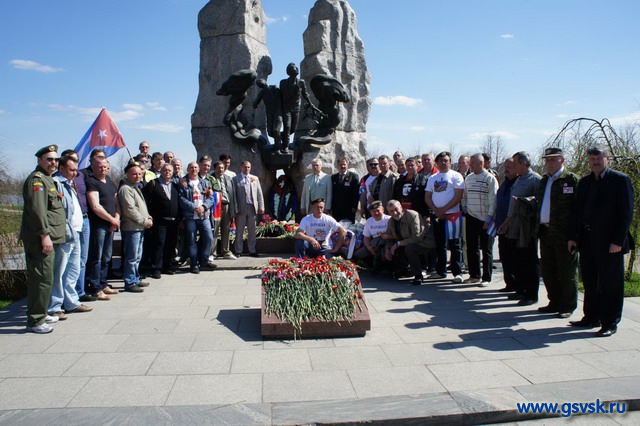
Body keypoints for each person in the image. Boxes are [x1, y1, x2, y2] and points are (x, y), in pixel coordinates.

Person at [568, 145, 634, 337]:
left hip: (610, 243)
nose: (595, 162)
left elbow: (626, 213)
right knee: (590, 281)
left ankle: (610, 323)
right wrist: (573, 237)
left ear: (607, 159)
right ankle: (591, 317)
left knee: (610, 284)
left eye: (598, 158)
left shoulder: (620, 180)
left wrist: (618, 241)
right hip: (587, 240)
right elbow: (578, 212)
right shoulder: (585, 182)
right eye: (592, 159)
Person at [21, 145, 66, 333]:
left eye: (56, 159)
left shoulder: (48, 179)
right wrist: (44, 235)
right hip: (40, 238)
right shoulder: (37, 180)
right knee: (41, 279)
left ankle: (42, 312)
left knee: (47, 277)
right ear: (40, 160)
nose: (53, 162)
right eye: (49, 159)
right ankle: (35, 320)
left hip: (50, 236)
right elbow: (37, 210)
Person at [535, 148, 580, 319]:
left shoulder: (571, 179)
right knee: (548, 270)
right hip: (545, 231)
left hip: (564, 234)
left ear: (562, 160)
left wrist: (574, 235)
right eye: (547, 160)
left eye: (553, 160)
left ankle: (568, 305)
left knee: (566, 271)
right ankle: (554, 301)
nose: (549, 163)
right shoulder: (545, 180)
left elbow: (578, 209)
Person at [49, 155, 93, 319]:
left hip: (76, 232)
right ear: (61, 169)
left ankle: (71, 302)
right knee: (59, 271)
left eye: (76, 170)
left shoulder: (69, 184)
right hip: (65, 234)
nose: (75, 173)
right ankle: (55, 306)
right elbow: (57, 211)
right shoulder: (56, 184)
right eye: (71, 170)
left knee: (73, 270)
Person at [497, 151, 542, 306]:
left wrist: (526, 201)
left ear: (523, 163)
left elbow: (539, 202)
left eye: (515, 163)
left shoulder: (535, 179)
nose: (513, 166)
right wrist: (506, 223)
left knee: (529, 259)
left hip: (527, 226)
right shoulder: (519, 179)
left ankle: (532, 294)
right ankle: (521, 289)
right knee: (518, 259)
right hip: (514, 224)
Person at [425, 152, 465, 283]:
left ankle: (457, 272)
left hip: (453, 215)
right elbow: (427, 197)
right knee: (439, 244)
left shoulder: (456, 176)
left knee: (455, 244)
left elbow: (458, 196)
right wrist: (436, 210)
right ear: (436, 162)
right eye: (441, 160)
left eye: (446, 160)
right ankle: (440, 271)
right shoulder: (432, 178)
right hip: (437, 215)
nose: (444, 163)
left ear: (450, 162)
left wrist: (444, 209)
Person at [86, 158, 120, 300]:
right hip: (99, 225)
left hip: (111, 225)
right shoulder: (91, 182)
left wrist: (116, 218)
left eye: (106, 167)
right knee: (97, 257)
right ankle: (96, 287)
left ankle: (103, 283)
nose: (103, 169)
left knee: (106, 257)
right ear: (93, 167)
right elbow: (96, 206)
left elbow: (117, 203)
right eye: (100, 167)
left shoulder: (110, 182)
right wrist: (112, 219)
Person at [462, 154, 498, 287]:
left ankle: (486, 277)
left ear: (481, 164)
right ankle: (474, 275)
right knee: (472, 248)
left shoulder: (490, 178)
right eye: (470, 162)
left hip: (485, 219)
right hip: (471, 217)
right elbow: (464, 196)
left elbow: (493, 200)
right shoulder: (468, 178)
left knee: (486, 249)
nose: (470, 165)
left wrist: (489, 218)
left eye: (472, 163)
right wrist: (465, 208)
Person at [117, 162, 153, 292]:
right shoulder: (125, 189)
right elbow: (130, 210)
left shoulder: (135, 187)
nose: (137, 176)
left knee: (137, 256)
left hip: (139, 227)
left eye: (139, 174)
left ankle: (135, 278)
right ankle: (130, 282)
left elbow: (142, 206)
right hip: (131, 228)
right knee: (131, 257)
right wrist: (144, 221)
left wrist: (148, 217)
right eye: (134, 174)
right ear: (127, 174)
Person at [384, 200, 435, 285]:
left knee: (410, 248)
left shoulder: (412, 215)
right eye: (391, 211)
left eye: (396, 209)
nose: (395, 213)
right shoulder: (391, 221)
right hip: (406, 242)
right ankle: (401, 270)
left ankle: (418, 275)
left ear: (401, 208)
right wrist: (387, 249)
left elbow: (417, 236)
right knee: (387, 250)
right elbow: (389, 237)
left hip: (424, 242)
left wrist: (398, 244)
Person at [178, 162, 217, 273]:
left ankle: (204, 260)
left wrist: (203, 207)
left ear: (198, 169)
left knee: (209, 238)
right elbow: (181, 199)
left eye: (195, 167)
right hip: (190, 217)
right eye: (191, 167)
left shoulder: (204, 183)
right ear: (188, 169)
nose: (193, 169)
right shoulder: (183, 183)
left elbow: (211, 198)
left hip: (203, 216)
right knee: (191, 241)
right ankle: (194, 264)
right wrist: (195, 207)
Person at [143, 163, 180, 277]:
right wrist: (148, 216)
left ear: (172, 172)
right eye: (165, 170)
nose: (167, 172)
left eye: (169, 170)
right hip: (160, 220)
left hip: (173, 221)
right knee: (159, 243)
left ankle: (167, 266)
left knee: (170, 244)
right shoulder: (153, 183)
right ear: (161, 171)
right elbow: (145, 201)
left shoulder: (175, 185)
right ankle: (156, 268)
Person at [495, 157, 518, 293]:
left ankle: (517, 285)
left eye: (510, 167)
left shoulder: (519, 183)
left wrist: (506, 223)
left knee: (514, 257)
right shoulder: (504, 183)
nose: (506, 169)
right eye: (506, 167)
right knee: (505, 256)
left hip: (513, 227)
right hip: (501, 225)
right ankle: (509, 283)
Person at [232, 161, 264, 257]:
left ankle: (252, 250)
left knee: (252, 230)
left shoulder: (255, 178)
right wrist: (235, 209)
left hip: (252, 207)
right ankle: (238, 250)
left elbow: (259, 193)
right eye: (245, 167)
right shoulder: (235, 179)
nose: (247, 169)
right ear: (241, 167)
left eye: (248, 167)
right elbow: (233, 195)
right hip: (240, 208)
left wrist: (261, 206)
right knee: (239, 230)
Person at [279, 62, 315, 146]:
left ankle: (279, 137)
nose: (297, 69)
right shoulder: (283, 82)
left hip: (296, 108)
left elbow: (305, 94)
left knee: (293, 129)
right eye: (294, 68)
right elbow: (279, 95)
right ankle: (285, 146)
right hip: (286, 107)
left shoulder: (301, 82)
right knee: (287, 127)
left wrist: (310, 104)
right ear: (289, 71)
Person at [352, 201, 391, 271]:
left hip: (387, 242)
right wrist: (369, 248)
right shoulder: (369, 221)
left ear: (382, 209)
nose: (376, 213)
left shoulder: (389, 219)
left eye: (378, 210)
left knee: (383, 255)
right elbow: (366, 238)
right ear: (370, 212)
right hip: (374, 243)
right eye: (373, 211)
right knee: (357, 255)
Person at [212, 160, 236, 259]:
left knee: (226, 229)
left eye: (222, 168)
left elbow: (232, 194)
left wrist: (233, 208)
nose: (221, 170)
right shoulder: (211, 178)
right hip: (216, 206)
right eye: (219, 168)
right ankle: (212, 253)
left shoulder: (228, 178)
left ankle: (225, 251)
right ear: (215, 169)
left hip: (227, 205)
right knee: (215, 229)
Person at [253, 78, 286, 153]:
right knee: (270, 133)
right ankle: (282, 139)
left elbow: (280, 101)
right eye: (257, 83)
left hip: (278, 113)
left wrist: (279, 112)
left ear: (265, 81)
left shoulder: (274, 88)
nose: (258, 82)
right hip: (269, 114)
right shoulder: (262, 92)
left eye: (260, 80)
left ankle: (278, 148)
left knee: (276, 130)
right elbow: (255, 104)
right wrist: (258, 97)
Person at [331, 158, 360, 222]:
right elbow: (332, 193)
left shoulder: (353, 176)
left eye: (344, 164)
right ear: (337, 165)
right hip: (336, 209)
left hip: (349, 209)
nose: (342, 166)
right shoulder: (333, 177)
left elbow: (356, 193)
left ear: (347, 165)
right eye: (341, 164)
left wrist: (354, 206)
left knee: (348, 226)